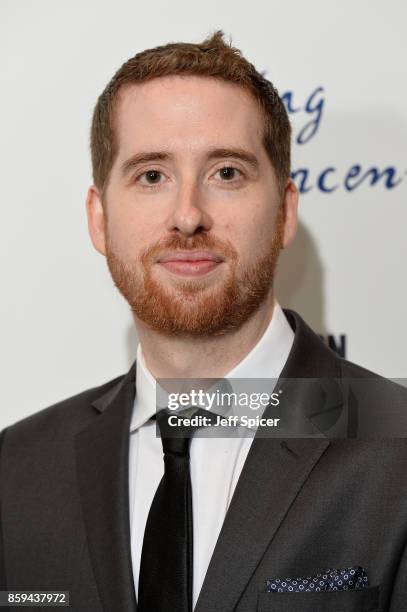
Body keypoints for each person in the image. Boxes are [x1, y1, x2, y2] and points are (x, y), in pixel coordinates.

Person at [1, 30, 406, 612]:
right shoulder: (18, 466)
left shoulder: (396, 446)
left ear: (285, 212)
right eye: (151, 175)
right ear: (99, 218)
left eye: (227, 173)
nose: (188, 215)